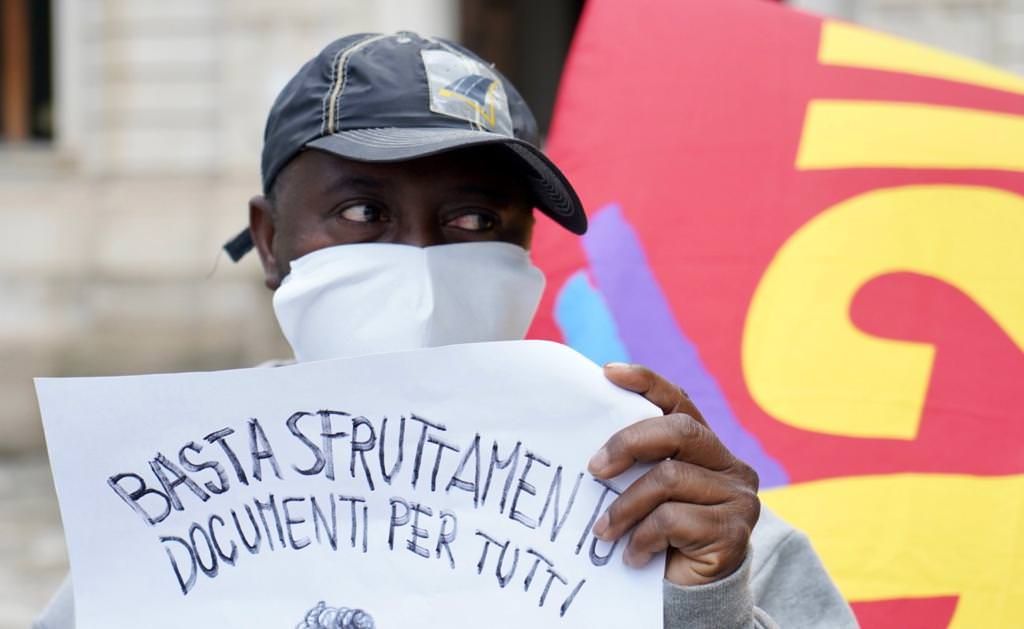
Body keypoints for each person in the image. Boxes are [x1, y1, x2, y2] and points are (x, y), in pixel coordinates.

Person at [35, 32, 857, 629]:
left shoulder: (687, 520)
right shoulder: (165, 524)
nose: (421, 262)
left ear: (528, 245)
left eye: (472, 218)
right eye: (363, 212)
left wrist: (708, 607)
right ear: (272, 238)